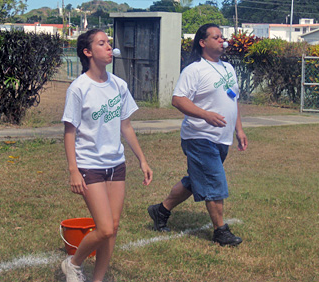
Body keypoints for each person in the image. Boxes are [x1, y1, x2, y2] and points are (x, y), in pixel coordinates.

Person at [61, 29, 153, 282]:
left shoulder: (118, 85)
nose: (109, 47)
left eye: (109, 43)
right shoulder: (79, 88)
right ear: (88, 52)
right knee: (104, 228)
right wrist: (73, 170)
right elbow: (70, 131)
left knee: (113, 228)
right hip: (90, 165)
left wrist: (142, 159)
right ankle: (73, 263)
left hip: (116, 165)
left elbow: (126, 126)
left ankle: (98, 279)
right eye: (102, 44)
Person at [147, 23, 248, 247]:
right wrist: (204, 115)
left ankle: (160, 210)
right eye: (216, 37)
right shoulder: (194, 69)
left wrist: (238, 129)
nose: (222, 40)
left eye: (222, 37)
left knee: (195, 181)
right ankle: (220, 231)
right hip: (199, 136)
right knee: (214, 180)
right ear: (203, 43)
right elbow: (178, 99)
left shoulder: (228, 69)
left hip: (221, 138)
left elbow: (233, 100)